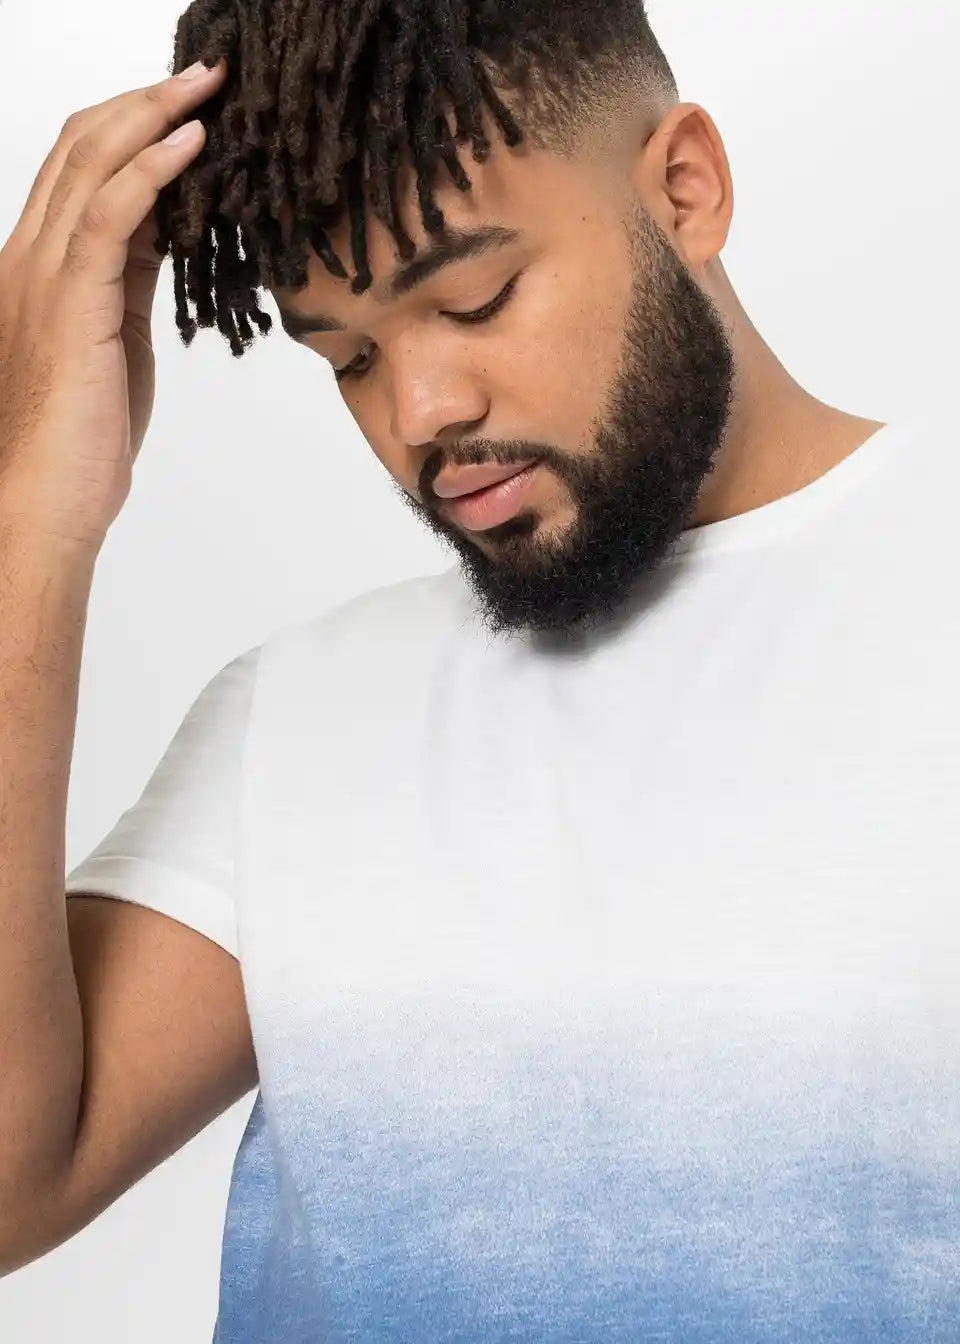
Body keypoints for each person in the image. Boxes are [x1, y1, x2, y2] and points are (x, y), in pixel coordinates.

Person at [0, 1, 955, 1338]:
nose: (420, 412)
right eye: (349, 358)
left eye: (474, 298)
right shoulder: (300, 719)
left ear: (686, 189)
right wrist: (32, 514)